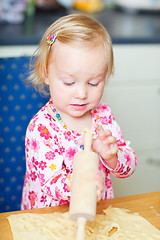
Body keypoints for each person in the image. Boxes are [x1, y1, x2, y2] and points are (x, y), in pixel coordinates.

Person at [21, 14, 137, 210]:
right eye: (69, 82)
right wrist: (81, 184)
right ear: (45, 74)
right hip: (50, 219)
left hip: (97, 214)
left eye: (94, 83)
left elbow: (128, 168)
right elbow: (50, 183)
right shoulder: (41, 127)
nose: (82, 94)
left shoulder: (103, 116)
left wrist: (113, 157)